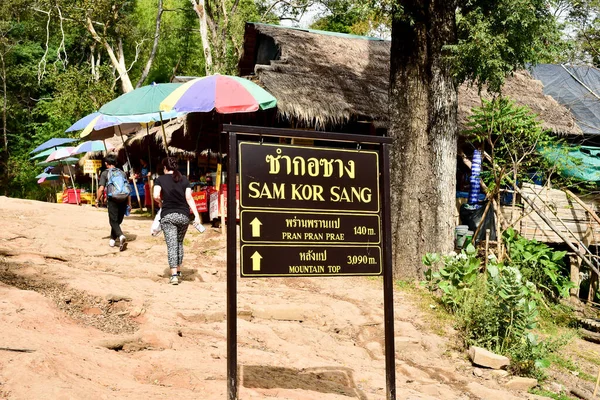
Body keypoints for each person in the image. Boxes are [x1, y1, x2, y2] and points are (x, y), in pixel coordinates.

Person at [153, 157, 201, 285]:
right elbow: (189, 197)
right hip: (183, 216)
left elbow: (156, 195)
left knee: (172, 245)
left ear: (164, 168)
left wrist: (160, 202)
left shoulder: (160, 179)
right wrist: (196, 215)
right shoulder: (184, 179)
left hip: (168, 216)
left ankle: (174, 275)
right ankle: (178, 270)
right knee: (179, 243)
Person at [96, 154, 131, 251]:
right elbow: (127, 188)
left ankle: (120, 236)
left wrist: (97, 200)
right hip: (123, 198)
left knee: (113, 220)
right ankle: (112, 240)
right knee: (118, 221)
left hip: (113, 199)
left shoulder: (105, 173)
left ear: (106, 163)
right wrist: (129, 203)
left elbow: (101, 188)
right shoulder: (122, 173)